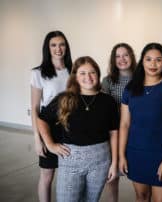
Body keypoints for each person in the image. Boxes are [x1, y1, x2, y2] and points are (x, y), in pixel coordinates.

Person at [37, 56, 118, 202]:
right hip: (70, 160)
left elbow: (114, 133)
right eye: (82, 73)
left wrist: (114, 163)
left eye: (92, 72)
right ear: (75, 76)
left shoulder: (108, 101)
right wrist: (50, 144)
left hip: (100, 161)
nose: (88, 77)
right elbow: (42, 119)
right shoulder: (65, 99)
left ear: (98, 75)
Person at [119, 43, 162, 202]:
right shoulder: (130, 89)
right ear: (142, 61)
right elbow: (124, 124)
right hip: (136, 153)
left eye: (158, 60)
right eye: (148, 59)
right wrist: (121, 155)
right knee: (141, 197)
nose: (153, 64)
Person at [30, 30, 72, 202]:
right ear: (47, 48)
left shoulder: (74, 70)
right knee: (47, 176)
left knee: (69, 175)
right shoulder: (38, 73)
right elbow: (34, 108)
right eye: (53, 45)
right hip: (48, 127)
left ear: (66, 47)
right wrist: (37, 139)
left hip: (70, 126)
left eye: (61, 44)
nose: (58, 49)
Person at [101, 43, 136, 202]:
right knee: (113, 174)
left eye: (125, 55)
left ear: (132, 57)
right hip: (114, 132)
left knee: (138, 173)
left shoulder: (142, 78)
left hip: (136, 131)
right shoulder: (108, 81)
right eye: (118, 56)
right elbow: (103, 108)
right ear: (113, 60)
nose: (122, 59)